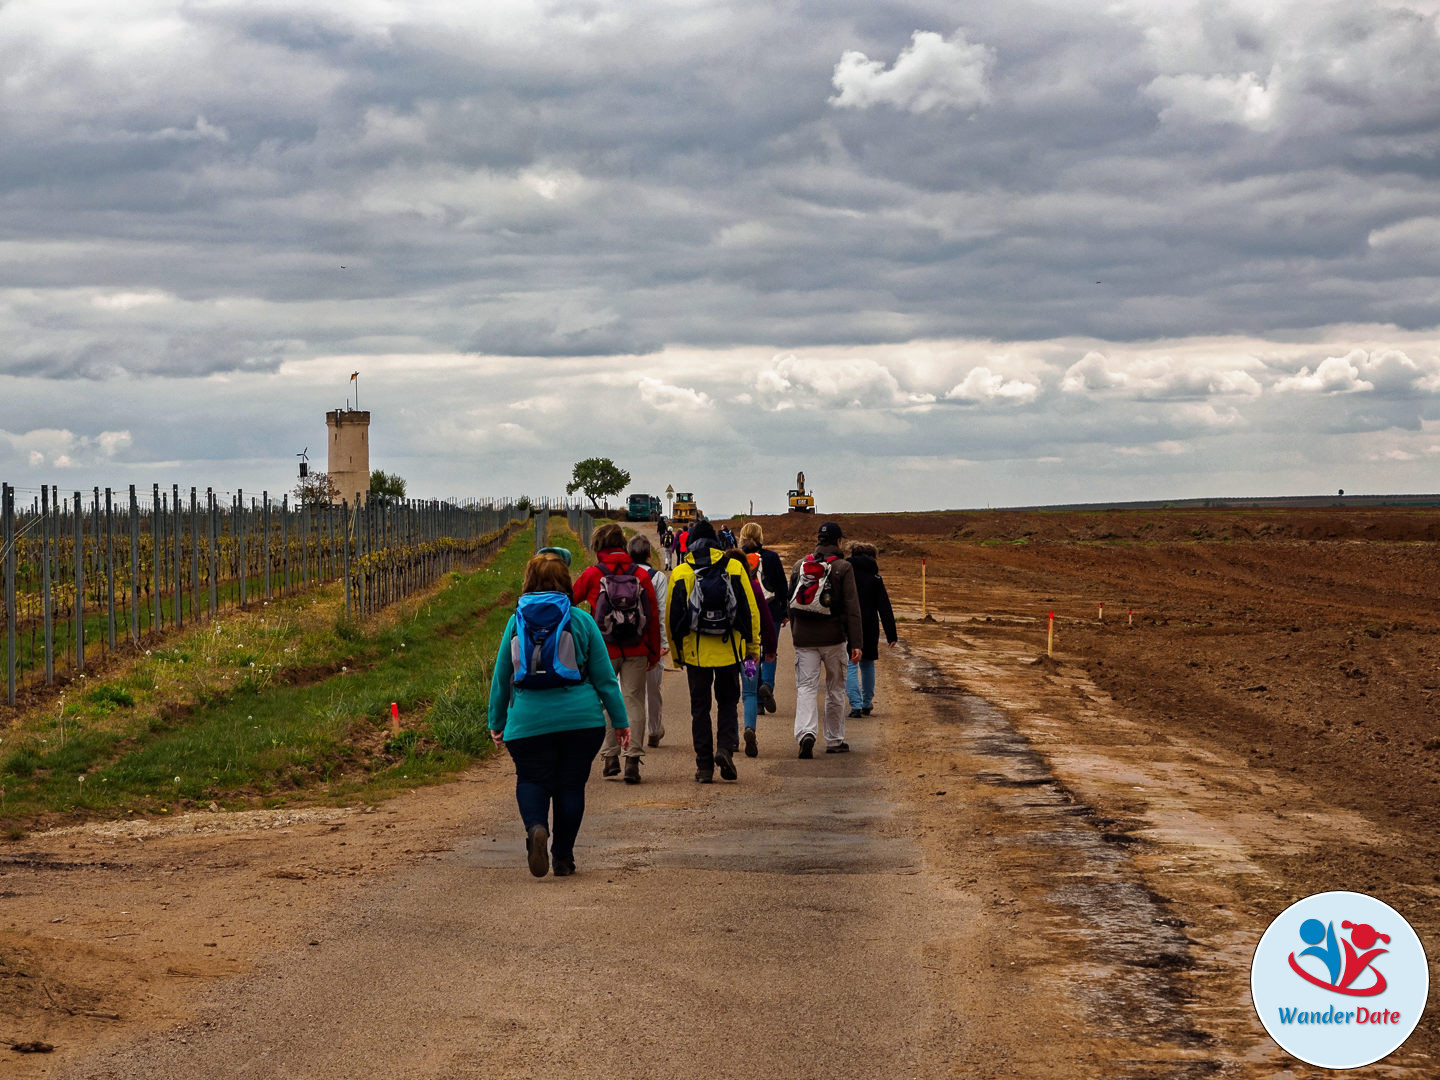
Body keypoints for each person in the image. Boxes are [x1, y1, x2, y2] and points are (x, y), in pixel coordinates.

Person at [488, 552, 628, 877]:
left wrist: (497, 722)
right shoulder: (581, 620)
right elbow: (605, 679)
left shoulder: (515, 621)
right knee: (571, 785)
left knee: (532, 779)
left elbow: (501, 678)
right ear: (566, 580)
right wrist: (620, 721)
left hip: (527, 720)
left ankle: (537, 826)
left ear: (528, 581)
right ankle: (563, 857)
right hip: (581, 721)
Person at [668, 519, 761, 782]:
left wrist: (677, 654)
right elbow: (749, 610)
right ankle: (725, 749)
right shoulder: (733, 567)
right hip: (729, 650)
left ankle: (705, 766)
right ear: (717, 542)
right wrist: (752, 647)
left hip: (696, 654)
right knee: (728, 702)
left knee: (700, 709)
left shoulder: (681, 572)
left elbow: (672, 618)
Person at [572, 523, 662, 784]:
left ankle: (610, 756)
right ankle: (632, 759)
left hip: (602, 649)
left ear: (598, 545)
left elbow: (568, 600)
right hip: (637, 647)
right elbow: (653, 616)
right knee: (634, 699)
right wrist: (653, 652)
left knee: (605, 699)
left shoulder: (592, 574)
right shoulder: (640, 575)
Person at [787, 521, 862, 758]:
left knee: (806, 688)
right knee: (835, 690)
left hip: (804, 640)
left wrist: (796, 634)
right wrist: (856, 643)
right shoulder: (843, 567)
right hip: (834, 639)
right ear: (839, 542)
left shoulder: (800, 565)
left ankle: (806, 734)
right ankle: (834, 739)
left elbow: (791, 604)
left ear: (818, 540)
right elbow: (852, 608)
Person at [731, 545, 778, 757]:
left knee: (728, 695)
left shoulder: (724, 586)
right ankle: (750, 728)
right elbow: (767, 621)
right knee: (749, 693)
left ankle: (730, 736)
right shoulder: (754, 587)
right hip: (750, 654)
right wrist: (770, 648)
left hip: (728, 652)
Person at [844, 542, 898, 717]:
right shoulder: (875, 578)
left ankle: (856, 705)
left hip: (850, 624)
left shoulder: (847, 574)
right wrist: (891, 634)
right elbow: (885, 607)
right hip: (870, 624)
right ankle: (867, 703)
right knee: (867, 664)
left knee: (851, 664)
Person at [627, 533, 670, 747]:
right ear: (648, 555)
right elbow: (661, 612)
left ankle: (632, 732)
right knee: (653, 688)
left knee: (631, 690)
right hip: (649, 640)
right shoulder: (657, 577)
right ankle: (654, 730)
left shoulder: (622, 575)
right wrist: (663, 643)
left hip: (625, 640)